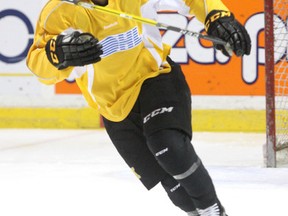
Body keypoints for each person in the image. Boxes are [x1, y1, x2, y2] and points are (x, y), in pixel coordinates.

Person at [26, 0, 251, 215]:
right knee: (173, 187)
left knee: (168, 147)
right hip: (114, 108)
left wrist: (216, 17)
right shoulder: (59, 12)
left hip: (154, 76)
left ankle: (214, 212)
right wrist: (56, 55)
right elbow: (38, 67)